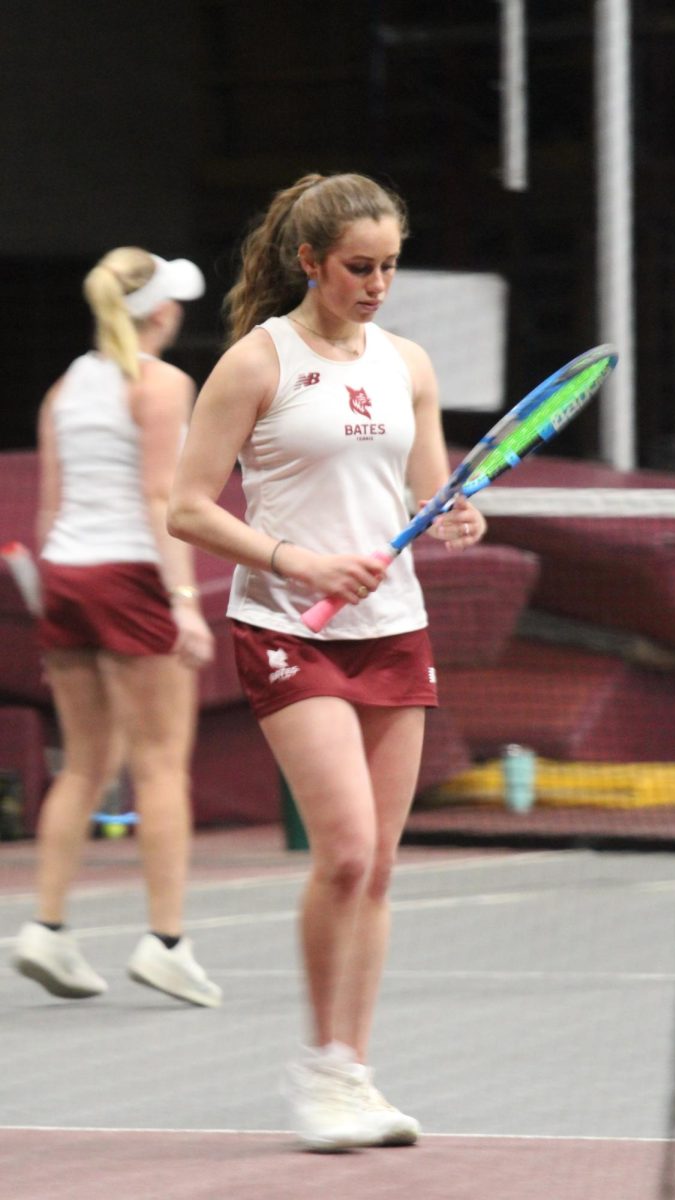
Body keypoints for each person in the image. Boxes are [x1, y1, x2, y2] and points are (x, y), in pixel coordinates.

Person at [167, 173, 487, 1147]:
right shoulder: (255, 363)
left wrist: (460, 514)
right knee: (342, 849)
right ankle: (314, 1071)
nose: (377, 283)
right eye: (359, 266)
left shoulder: (410, 364)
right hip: (285, 625)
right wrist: (292, 558)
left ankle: (352, 1071)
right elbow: (184, 504)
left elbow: (429, 494)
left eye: (389, 265)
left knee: (378, 867)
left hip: (392, 625)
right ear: (309, 263)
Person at [12, 246, 222, 1009]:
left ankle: (48, 928)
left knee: (84, 764)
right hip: (130, 577)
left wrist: (52, 605)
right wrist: (186, 604)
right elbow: (162, 495)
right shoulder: (164, 385)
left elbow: (47, 508)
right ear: (159, 312)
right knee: (162, 766)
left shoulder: (65, 386)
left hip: (65, 578)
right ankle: (167, 944)